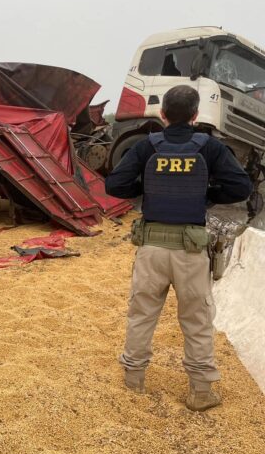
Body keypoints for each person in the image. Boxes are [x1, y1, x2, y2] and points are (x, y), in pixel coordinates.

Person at [105, 85, 252, 411]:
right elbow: (241, 186)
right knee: (197, 321)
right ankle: (200, 392)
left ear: (163, 114)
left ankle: (133, 381)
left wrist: (148, 188)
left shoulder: (147, 146)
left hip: (151, 248)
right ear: (196, 115)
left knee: (142, 315)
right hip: (191, 251)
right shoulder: (210, 147)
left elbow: (114, 184)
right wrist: (207, 194)